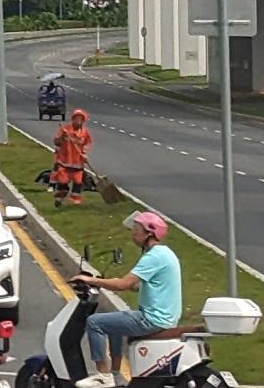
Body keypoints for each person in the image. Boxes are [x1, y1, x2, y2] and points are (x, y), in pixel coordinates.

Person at [73, 211, 182, 388]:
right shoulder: (165, 253)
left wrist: (91, 280)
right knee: (114, 324)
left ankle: (103, 375)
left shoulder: (153, 257)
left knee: (94, 322)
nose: (133, 233)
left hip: (151, 319)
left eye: (136, 230)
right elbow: (138, 285)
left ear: (149, 233)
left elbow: (123, 285)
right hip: (164, 317)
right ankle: (115, 374)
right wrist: (111, 282)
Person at [51, 108, 93, 207]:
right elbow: (56, 142)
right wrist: (62, 137)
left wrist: (84, 153)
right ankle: (59, 199)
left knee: (78, 181)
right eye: (76, 118)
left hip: (78, 162)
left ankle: (75, 200)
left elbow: (88, 143)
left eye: (80, 119)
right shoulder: (65, 130)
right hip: (64, 161)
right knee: (62, 180)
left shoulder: (84, 132)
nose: (78, 121)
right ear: (73, 119)